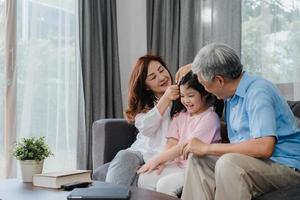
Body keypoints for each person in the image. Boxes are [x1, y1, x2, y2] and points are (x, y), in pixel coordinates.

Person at [177, 43, 300, 200]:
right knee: (198, 160)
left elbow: (264, 147)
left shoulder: (257, 93)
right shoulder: (232, 95)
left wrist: (207, 147)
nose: (205, 89)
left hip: (285, 165)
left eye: (204, 85)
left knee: (229, 163)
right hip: (255, 161)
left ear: (219, 80)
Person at [137, 71, 222, 197]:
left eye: (191, 95)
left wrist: (156, 160)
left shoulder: (210, 118)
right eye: (182, 96)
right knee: (146, 178)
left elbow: (185, 145)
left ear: (204, 94)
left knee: (165, 184)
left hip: (196, 169)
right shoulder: (180, 116)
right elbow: (172, 142)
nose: (186, 100)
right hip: (178, 166)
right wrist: (162, 162)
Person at [103, 54, 179, 186]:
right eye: (153, 77)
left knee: (143, 179)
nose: (162, 77)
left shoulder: (185, 96)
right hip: (141, 152)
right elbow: (146, 128)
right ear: (146, 86)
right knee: (123, 157)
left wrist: (189, 68)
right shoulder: (144, 106)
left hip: (166, 155)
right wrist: (165, 99)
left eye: (161, 70)